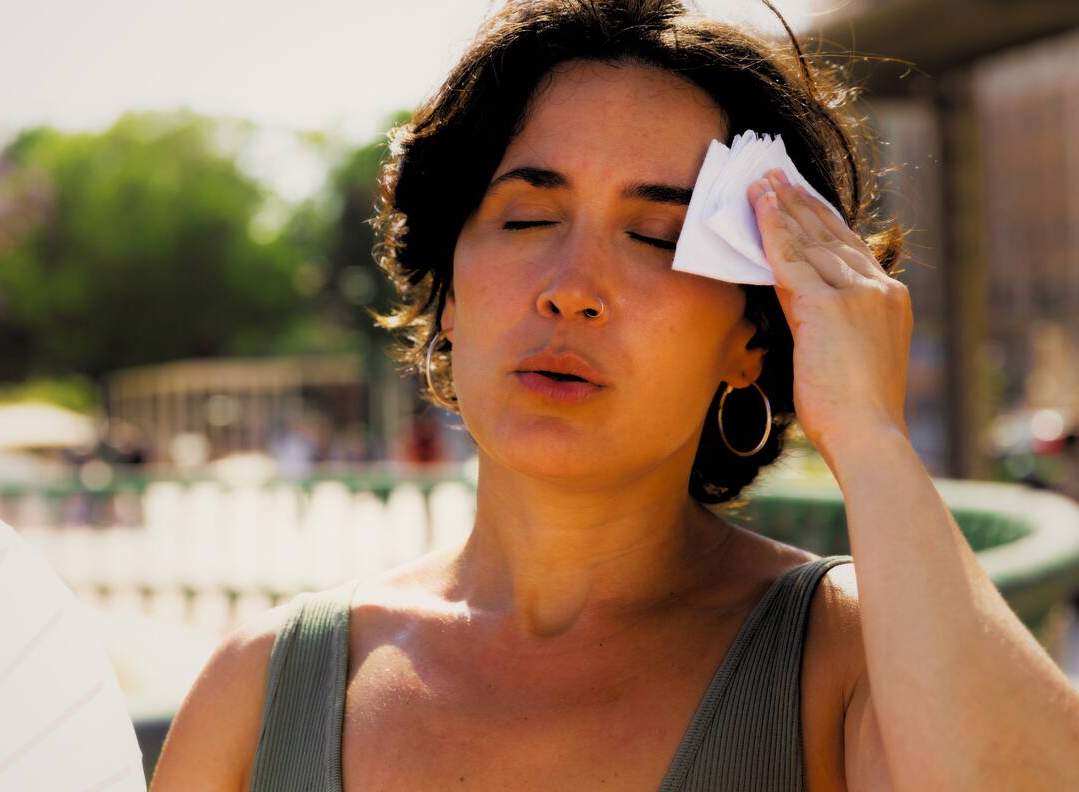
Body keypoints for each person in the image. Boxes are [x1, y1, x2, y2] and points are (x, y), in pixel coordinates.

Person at [149, 2, 1079, 790]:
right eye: (526, 216)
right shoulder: (263, 686)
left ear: (754, 340)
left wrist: (869, 436)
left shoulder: (844, 665)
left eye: (657, 237)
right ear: (451, 289)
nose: (572, 285)